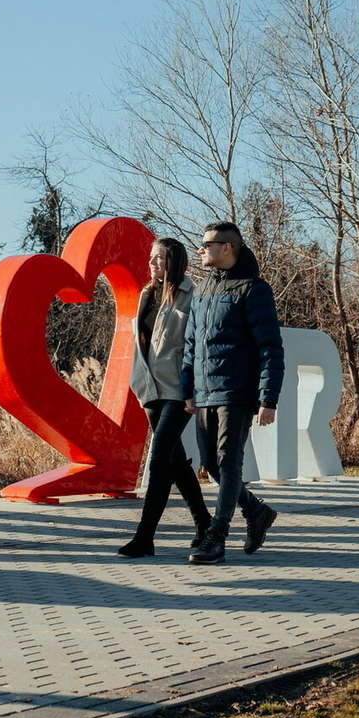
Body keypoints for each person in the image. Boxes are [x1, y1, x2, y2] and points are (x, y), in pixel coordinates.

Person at [181, 221, 285, 565]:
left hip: (237, 393)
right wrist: (188, 389)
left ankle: (216, 536)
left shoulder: (253, 290)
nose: (201, 250)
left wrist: (268, 399)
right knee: (211, 464)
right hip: (205, 392)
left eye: (207, 244)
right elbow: (191, 345)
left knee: (228, 463)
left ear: (227, 247)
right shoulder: (203, 290)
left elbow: (270, 348)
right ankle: (256, 512)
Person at [120, 238, 213, 557]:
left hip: (178, 389)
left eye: (160, 258)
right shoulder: (146, 294)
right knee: (175, 461)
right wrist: (136, 379)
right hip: (149, 388)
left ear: (175, 260)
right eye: (151, 258)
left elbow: (199, 347)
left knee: (159, 460)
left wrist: (192, 388)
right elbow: (142, 343)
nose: (153, 263)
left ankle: (145, 537)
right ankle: (205, 523)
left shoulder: (193, 295)